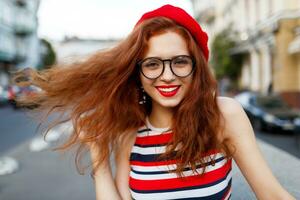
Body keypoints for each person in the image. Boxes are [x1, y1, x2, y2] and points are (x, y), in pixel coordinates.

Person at [13, 4, 295, 200]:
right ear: (137, 72)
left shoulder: (223, 115)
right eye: (153, 64)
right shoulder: (130, 132)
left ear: (196, 67)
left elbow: (272, 194)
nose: (167, 76)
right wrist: (98, 154)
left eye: (180, 61)